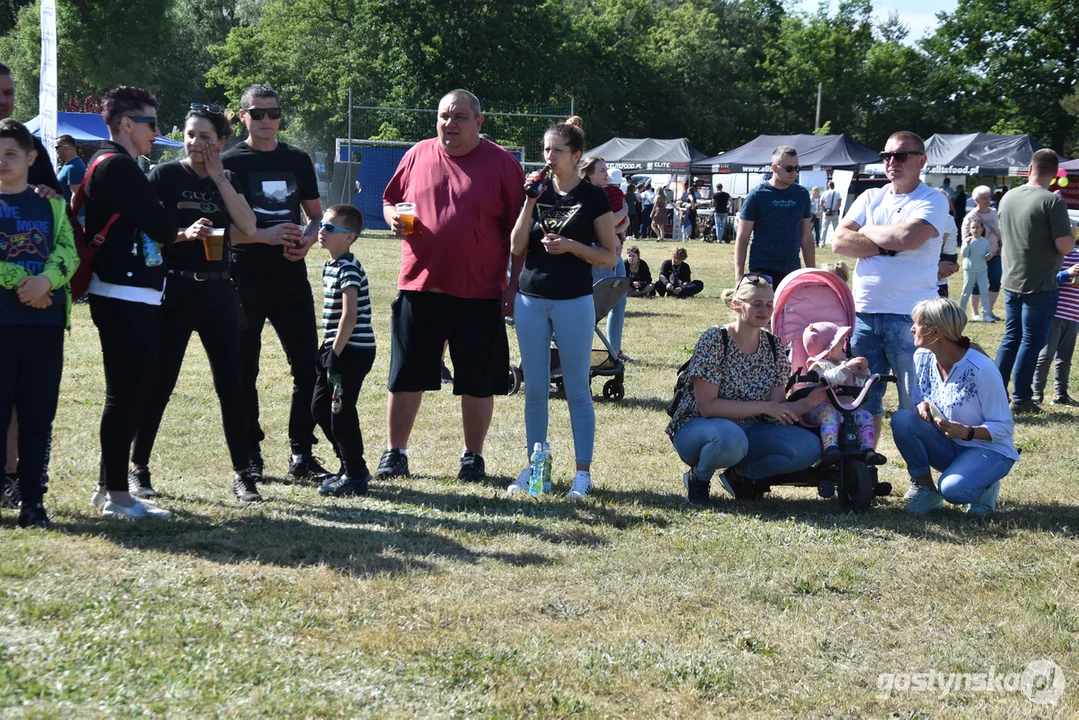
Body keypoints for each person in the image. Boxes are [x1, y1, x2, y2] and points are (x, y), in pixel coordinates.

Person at [380, 89, 525, 482]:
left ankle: (472, 457)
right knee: (406, 373)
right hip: (420, 285)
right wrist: (393, 216)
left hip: (479, 293)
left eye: (460, 117)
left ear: (479, 122)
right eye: (444, 116)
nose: (450, 124)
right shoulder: (418, 154)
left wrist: (513, 287)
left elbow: (520, 231)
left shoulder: (502, 164)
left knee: (477, 380)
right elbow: (390, 198)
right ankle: (395, 453)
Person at [129, 104, 261, 503]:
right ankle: (138, 468)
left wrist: (220, 177)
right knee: (159, 382)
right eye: (190, 135)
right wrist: (184, 234)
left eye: (206, 136)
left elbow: (249, 226)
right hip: (176, 290)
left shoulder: (230, 176)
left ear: (222, 141)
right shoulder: (165, 175)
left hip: (219, 290)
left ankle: (243, 475)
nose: (196, 143)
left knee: (232, 386)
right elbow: (148, 234)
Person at [84, 86, 189, 519]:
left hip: (124, 292)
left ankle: (108, 487)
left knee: (126, 393)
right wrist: (177, 224)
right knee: (126, 396)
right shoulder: (120, 168)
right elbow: (163, 226)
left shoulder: (110, 164)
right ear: (126, 124)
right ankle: (117, 495)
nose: (157, 132)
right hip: (123, 292)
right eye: (150, 123)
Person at [506, 122, 617, 499]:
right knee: (535, 389)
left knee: (576, 389)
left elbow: (608, 255)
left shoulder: (593, 197)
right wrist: (530, 201)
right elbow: (517, 247)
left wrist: (572, 245)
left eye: (555, 151)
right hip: (530, 299)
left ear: (575, 157)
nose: (548, 158)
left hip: (573, 300)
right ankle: (536, 469)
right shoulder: (535, 192)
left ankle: (582, 474)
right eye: (545, 150)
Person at [223, 84, 326, 480]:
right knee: (243, 370)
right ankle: (250, 453)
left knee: (308, 368)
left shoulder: (297, 159)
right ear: (243, 115)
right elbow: (221, 230)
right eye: (258, 113)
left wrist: (308, 239)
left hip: (290, 277)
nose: (267, 120)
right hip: (243, 276)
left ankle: (301, 453)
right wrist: (261, 237)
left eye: (274, 112)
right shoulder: (231, 162)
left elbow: (315, 215)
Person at [832, 130, 951, 465]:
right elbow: (839, 241)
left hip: (912, 320)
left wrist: (868, 235)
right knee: (860, 403)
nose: (891, 162)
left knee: (916, 405)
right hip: (864, 315)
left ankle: (920, 478)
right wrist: (888, 243)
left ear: (921, 160)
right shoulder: (871, 197)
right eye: (886, 156)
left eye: (900, 156)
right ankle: (862, 467)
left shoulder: (934, 199)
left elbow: (909, 236)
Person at [668, 275, 829, 504]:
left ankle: (740, 476)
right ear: (737, 304)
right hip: (698, 428)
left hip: (749, 430)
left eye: (769, 305)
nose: (764, 310)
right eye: (756, 304)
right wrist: (765, 406)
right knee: (731, 439)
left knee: (808, 448)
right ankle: (699, 477)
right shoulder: (715, 339)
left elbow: (776, 408)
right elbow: (708, 407)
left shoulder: (774, 346)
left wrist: (809, 402)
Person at [0, 119, 77, 527]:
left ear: (30, 157)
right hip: (3, 322)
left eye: (10, 153)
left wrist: (46, 281)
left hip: (45, 325)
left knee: (37, 415)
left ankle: (33, 501)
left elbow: (69, 250)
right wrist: (23, 284)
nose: (2, 161)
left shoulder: (51, 202)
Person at [1, 62, 63, 507]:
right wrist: (26, 283)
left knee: (30, 403)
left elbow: (58, 219)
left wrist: (45, 284)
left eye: (8, 92)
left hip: (37, 312)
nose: (4, 98)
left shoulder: (28, 145)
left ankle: (23, 482)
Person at [892, 298, 1018, 516]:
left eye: (917, 324)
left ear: (936, 333)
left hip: (989, 450)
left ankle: (985, 485)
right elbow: (919, 400)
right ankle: (926, 490)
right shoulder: (922, 357)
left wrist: (966, 432)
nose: (912, 328)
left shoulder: (981, 369)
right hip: (949, 444)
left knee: (953, 490)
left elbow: (1004, 427)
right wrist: (923, 406)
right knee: (902, 420)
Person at [994, 148, 1075, 413]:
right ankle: (1021, 398)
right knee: (1031, 341)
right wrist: (1071, 233)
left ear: (1029, 169)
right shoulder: (1052, 201)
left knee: (1011, 338)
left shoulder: (1008, 196)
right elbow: (1064, 247)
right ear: (1054, 175)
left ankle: (995, 392)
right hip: (1040, 283)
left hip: (1011, 278)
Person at [313, 205, 377, 498]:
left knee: (340, 411)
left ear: (349, 237)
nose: (321, 232)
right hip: (336, 348)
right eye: (322, 226)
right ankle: (351, 463)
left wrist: (334, 353)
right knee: (319, 406)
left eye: (329, 228)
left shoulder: (348, 267)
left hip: (350, 352)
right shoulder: (332, 265)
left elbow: (349, 316)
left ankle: (355, 475)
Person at [801, 322, 882, 466]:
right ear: (828, 349)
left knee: (865, 416)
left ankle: (867, 449)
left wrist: (863, 373)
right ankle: (830, 447)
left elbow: (856, 384)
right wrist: (847, 367)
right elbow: (832, 377)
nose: (844, 345)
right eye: (839, 342)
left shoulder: (843, 362)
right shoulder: (818, 366)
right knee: (830, 415)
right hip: (817, 408)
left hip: (843, 407)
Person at [735, 145, 813, 288]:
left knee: (790, 311)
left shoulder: (802, 194)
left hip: (792, 269)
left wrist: (812, 274)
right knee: (764, 310)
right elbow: (742, 238)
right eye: (789, 168)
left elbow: (807, 237)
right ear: (774, 168)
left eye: (797, 168)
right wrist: (739, 277)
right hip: (762, 268)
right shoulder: (757, 195)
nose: (794, 173)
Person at [580, 158, 633, 363]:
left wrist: (618, 227)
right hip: (598, 254)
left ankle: (615, 351)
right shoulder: (585, 194)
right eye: (602, 171)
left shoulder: (605, 194)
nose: (607, 175)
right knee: (593, 307)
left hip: (613, 251)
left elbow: (611, 226)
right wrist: (623, 215)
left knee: (618, 301)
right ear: (590, 174)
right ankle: (583, 351)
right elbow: (601, 225)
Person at [1033, 248, 1079, 405]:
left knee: (1065, 359)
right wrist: (1068, 273)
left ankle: (1061, 394)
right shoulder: (1058, 255)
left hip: (1073, 316)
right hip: (1055, 314)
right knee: (1045, 356)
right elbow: (1048, 280)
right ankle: (1036, 394)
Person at [964, 186, 1003, 321]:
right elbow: (965, 236)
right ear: (976, 200)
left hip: (995, 254)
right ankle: (975, 313)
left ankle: (989, 311)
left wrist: (1001, 245)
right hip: (977, 257)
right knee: (975, 284)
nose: (988, 200)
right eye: (984, 198)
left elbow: (999, 231)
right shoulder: (971, 216)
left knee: (996, 280)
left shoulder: (994, 212)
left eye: (988, 197)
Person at [958, 216, 991, 319]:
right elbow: (964, 254)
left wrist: (989, 256)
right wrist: (967, 245)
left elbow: (988, 253)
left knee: (984, 292)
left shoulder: (985, 241)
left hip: (982, 270)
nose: (975, 230)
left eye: (977, 227)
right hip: (970, 270)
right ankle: (961, 314)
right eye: (973, 228)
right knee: (966, 292)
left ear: (982, 229)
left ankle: (986, 315)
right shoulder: (967, 241)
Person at [54, 134, 86, 202]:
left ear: (65, 148)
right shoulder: (69, 164)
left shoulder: (74, 167)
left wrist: (72, 212)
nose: (55, 150)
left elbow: (76, 197)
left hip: (67, 212)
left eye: (57, 147)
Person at [820, 181, 841, 245]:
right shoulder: (837, 193)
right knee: (836, 229)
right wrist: (835, 211)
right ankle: (837, 243)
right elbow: (839, 204)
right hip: (834, 212)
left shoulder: (824, 193)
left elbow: (821, 203)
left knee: (824, 228)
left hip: (826, 213)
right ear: (834, 186)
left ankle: (822, 243)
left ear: (828, 186)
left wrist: (824, 210)